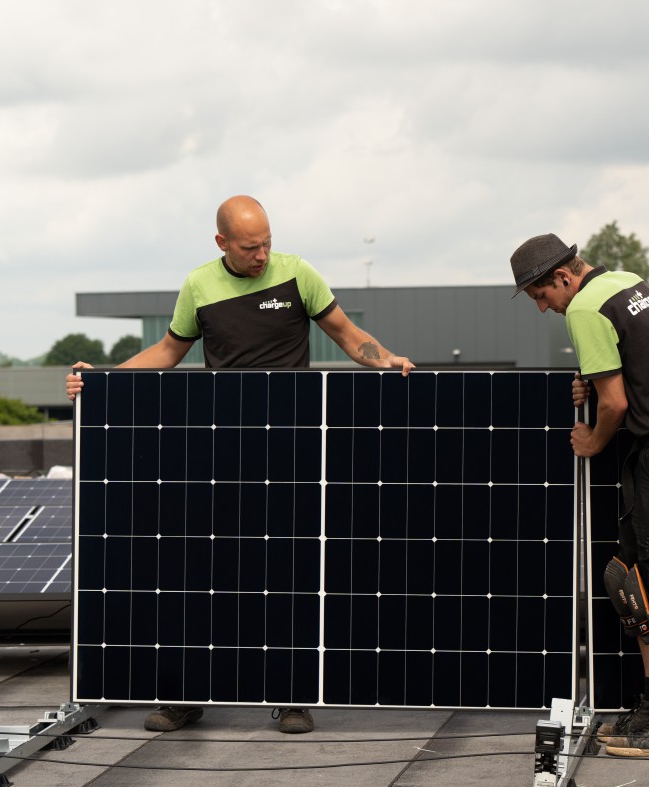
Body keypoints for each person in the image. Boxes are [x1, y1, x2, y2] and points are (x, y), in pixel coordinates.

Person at [68, 195, 415, 734]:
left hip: (291, 449)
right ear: (222, 243)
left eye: (267, 243)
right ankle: (187, 694)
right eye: (251, 247)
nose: (262, 255)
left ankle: (291, 694)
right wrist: (103, 379)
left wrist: (386, 358)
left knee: (287, 573)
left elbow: (348, 335)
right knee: (206, 572)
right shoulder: (199, 286)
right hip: (221, 451)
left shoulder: (298, 275)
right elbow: (167, 352)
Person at [508, 233, 649, 757]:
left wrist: (592, 442)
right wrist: (589, 380)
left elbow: (617, 403)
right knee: (630, 579)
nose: (542, 308)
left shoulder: (583, 307)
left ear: (563, 276)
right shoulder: (627, 284)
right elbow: (645, 363)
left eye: (540, 295)